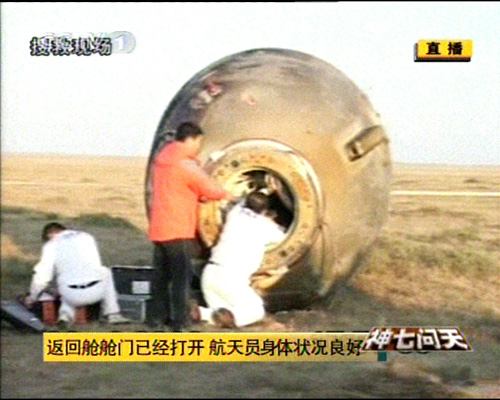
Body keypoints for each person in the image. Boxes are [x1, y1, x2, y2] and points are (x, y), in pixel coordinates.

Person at [148, 121, 234, 331]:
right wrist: (228, 195)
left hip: (159, 228)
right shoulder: (185, 165)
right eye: (198, 142)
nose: (198, 147)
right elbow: (209, 188)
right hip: (178, 229)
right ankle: (181, 323)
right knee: (181, 279)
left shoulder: (162, 158)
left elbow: (179, 186)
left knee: (161, 278)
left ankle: (156, 320)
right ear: (191, 139)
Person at [194, 191, 286, 328]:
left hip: (209, 274)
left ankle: (201, 313)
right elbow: (284, 237)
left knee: (224, 310)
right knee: (255, 311)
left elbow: (240, 203)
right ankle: (214, 316)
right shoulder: (266, 227)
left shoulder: (234, 214)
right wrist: (273, 219)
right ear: (265, 210)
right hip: (231, 278)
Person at [24, 222, 130, 325]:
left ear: (49, 235)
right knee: (104, 271)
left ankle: (65, 316)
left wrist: (32, 297)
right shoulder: (87, 237)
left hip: (71, 295)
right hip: (97, 293)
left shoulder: (51, 245)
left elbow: (42, 276)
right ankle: (112, 313)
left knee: (65, 280)